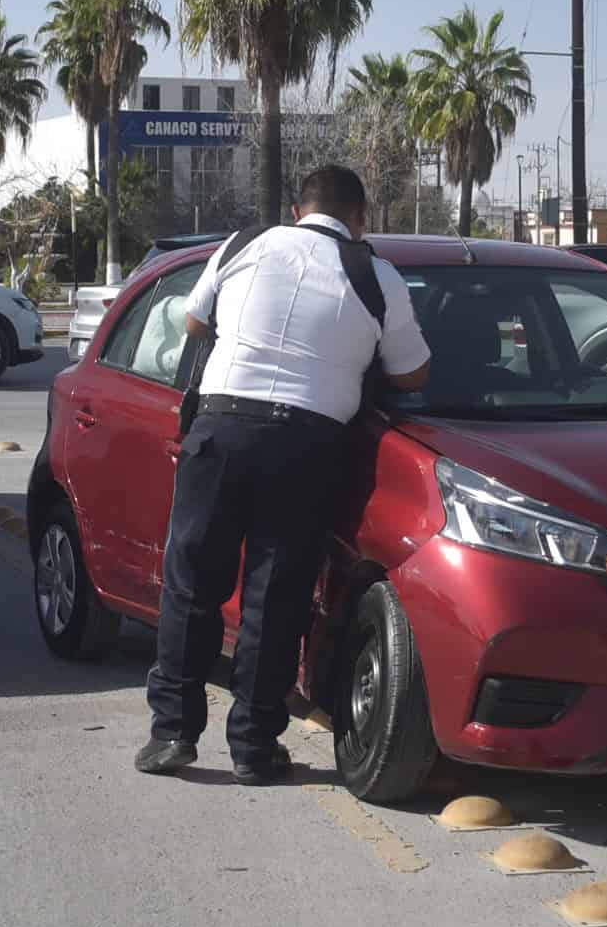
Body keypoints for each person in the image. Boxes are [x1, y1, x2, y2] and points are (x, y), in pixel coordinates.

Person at [137, 164, 432, 785]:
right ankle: (252, 746)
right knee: (278, 594)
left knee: (192, 579)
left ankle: (170, 734)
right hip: (307, 444)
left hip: (219, 428)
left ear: (299, 211)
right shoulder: (376, 274)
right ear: (360, 219)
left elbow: (194, 323)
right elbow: (411, 375)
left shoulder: (244, 243)